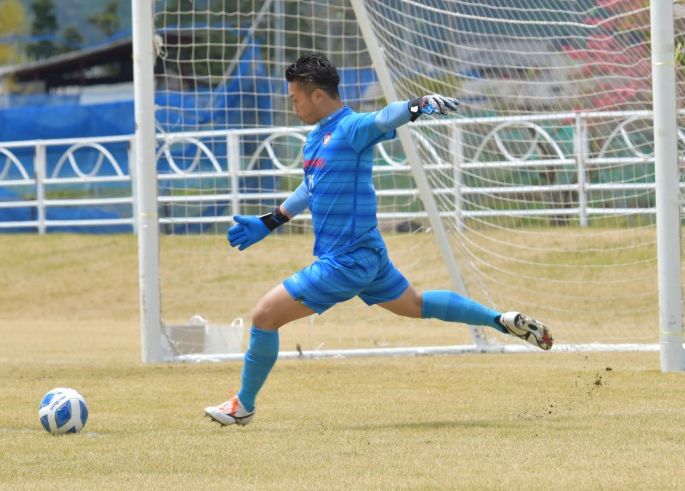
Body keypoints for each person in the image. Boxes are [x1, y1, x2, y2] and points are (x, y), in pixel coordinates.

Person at [205, 53, 553, 427]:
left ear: (318, 95)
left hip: (344, 262)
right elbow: (310, 186)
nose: (294, 106)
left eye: (295, 99)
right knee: (415, 303)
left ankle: (243, 405)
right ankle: (500, 320)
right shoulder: (315, 137)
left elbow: (383, 117)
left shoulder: (350, 127)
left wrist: (416, 105)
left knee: (264, 316)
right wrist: (272, 220)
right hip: (368, 255)